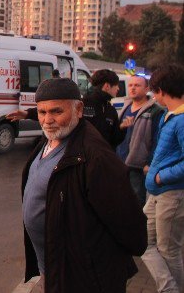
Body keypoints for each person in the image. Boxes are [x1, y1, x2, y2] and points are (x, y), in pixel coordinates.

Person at [22, 78, 147, 292]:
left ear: (78, 109)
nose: (47, 120)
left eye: (56, 112)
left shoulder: (95, 156)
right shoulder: (50, 140)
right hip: (55, 269)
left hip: (84, 277)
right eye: (42, 113)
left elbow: (128, 221)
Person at [142, 64, 184, 293]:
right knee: (143, 240)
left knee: (169, 250)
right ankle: (170, 288)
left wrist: (160, 176)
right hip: (158, 193)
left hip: (172, 193)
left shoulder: (181, 119)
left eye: (153, 91)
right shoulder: (169, 116)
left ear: (161, 91)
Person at [115, 75, 164, 206]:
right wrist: (121, 127)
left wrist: (149, 162)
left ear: (146, 88)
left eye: (137, 85)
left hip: (138, 165)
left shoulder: (155, 111)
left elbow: (158, 140)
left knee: (137, 201)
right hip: (120, 162)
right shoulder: (125, 108)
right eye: (130, 85)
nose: (133, 88)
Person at [82, 69, 125, 149]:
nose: (118, 89)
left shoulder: (110, 109)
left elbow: (114, 140)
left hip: (103, 158)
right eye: (116, 85)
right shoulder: (82, 104)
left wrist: (122, 128)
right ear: (107, 86)